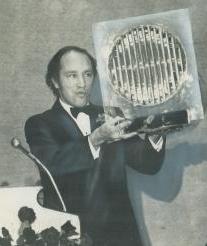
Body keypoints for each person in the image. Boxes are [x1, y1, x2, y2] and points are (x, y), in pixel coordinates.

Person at [24, 46, 166, 246]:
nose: (82, 84)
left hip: (123, 238)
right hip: (72, 237)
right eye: (72, 75)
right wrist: (96, 138)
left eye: (88, 74)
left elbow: (148, 164)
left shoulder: (111, 115)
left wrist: (156, 133)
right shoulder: (39, 123)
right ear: (55, 81)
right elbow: (53, 165)